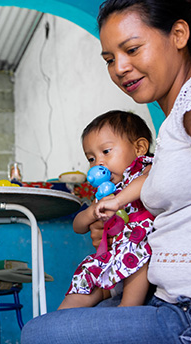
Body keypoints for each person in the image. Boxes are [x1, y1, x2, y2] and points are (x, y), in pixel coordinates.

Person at [21, 0, 191, 344]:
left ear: (179, 35)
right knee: (51, 330)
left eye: (132, 49)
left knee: (42, 339)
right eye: (109, 58)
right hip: (176, 308)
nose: (119, 68)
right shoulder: (175, 122)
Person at [60, 110, 155, 309]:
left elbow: (146, 182)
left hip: (136, 256)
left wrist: (118, 200)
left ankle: (127, 310)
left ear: (139, 148)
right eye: (91, 158)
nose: (99, 163)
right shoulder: (104, 192)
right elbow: (78, 226)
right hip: (109, 260)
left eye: (106, 152)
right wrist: (92, 211)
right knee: (87, 275)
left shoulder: (144, 169)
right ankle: (59, 318)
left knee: (138, 254)